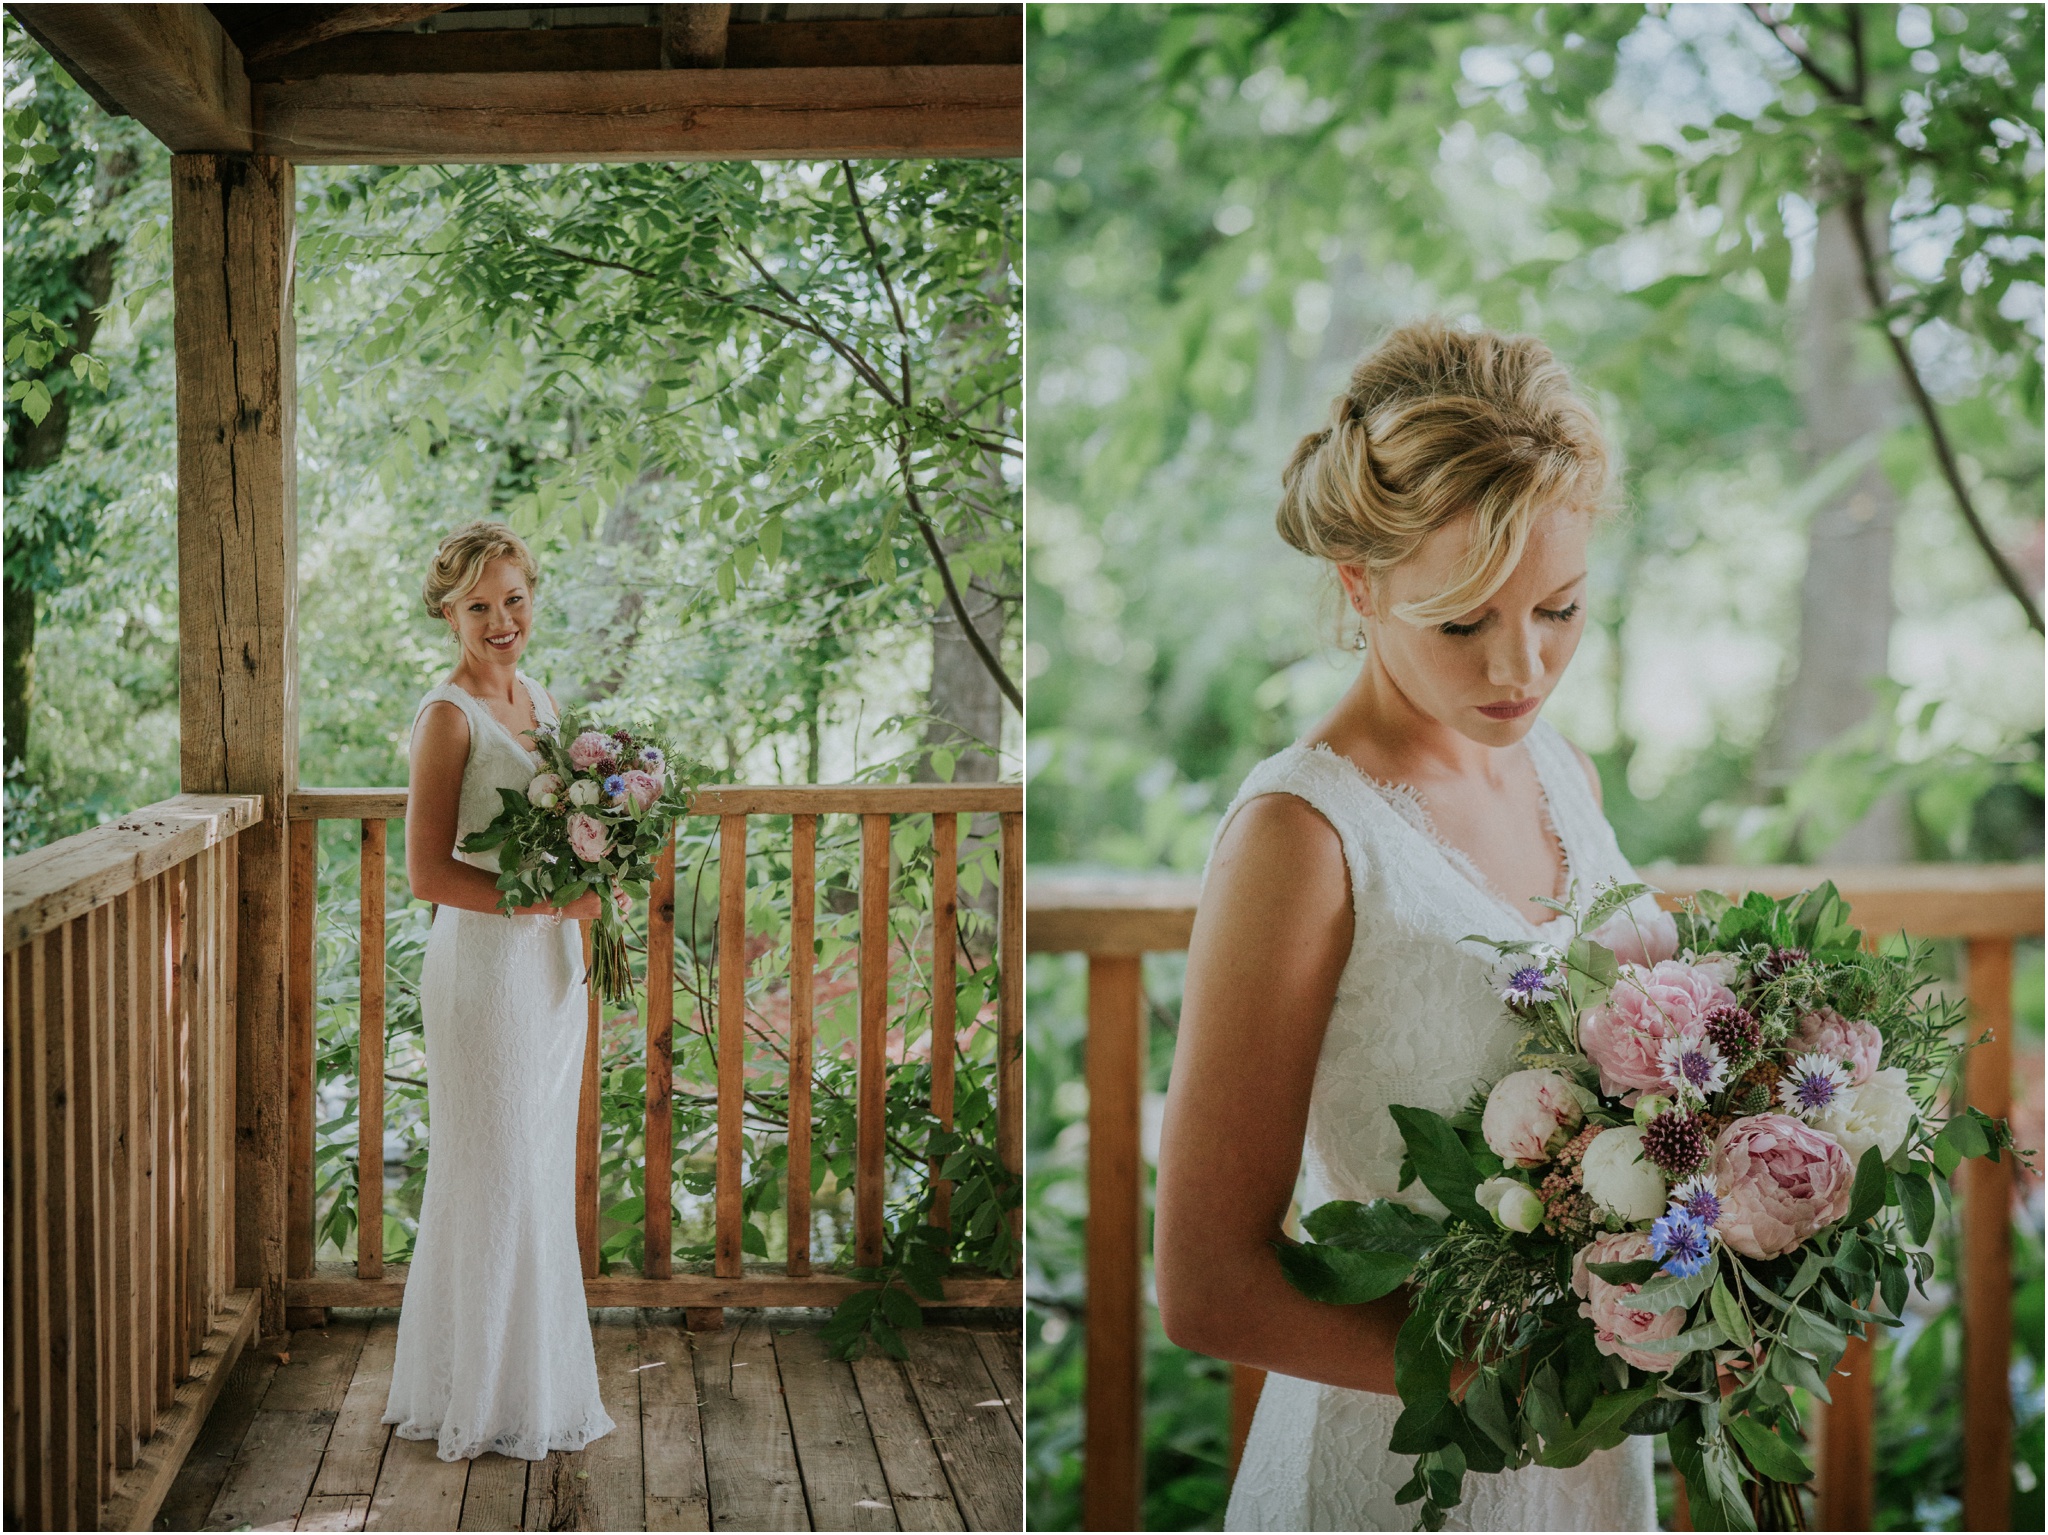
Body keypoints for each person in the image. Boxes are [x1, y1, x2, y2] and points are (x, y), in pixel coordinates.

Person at [1154, 320, 1659, 1530]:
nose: (1521, 665)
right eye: (1461, 622)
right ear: (1357, 585)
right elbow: (1208, 1285)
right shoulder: (1300, 834)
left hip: (1592, 1462)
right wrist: (1523, 1379)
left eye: (1559, 607)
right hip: (1399, 1461)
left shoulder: (1559, 772)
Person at [383, 520, 615, 1462]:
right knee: (492, 1171)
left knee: (537, 1174)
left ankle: (537, 1384)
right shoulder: (449, 717)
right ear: (449, 614)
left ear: (532, 597)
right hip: (485, 969)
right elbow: (428, 873)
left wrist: (595, 871)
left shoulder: (541, 698)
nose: (501, 618)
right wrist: (547, 900)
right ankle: (472, 1395)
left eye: (513, 597)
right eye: (479, 605)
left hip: (554, 973)